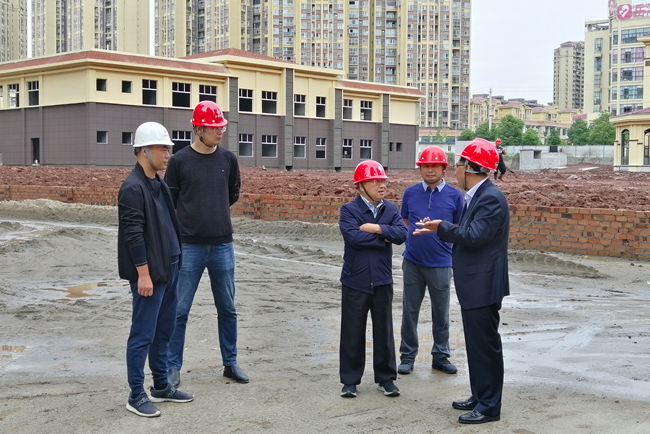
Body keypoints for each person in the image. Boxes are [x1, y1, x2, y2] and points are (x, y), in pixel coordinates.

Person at [414, 137, 510, 425]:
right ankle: (480, 395)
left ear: (470, 167)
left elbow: (474, 236)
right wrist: (443, 227)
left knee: (485, 347)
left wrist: (441, 227)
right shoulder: (478, 196)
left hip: (483, 286)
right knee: (476, 346)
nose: (455, 170)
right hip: (475, 285)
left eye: (458, 164)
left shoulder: (490, 197)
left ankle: (489, 406)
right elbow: (472, 231)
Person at [165, 100, 248, 386]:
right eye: (214, 127)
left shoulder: (228, 160)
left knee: (227, 307)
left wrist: (213, 213)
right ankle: (172, 367)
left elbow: (232, 193)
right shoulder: (179, 161)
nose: (220, 131)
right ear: (199, 129)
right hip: (189, 245)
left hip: (222, 244)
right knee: (179, 310)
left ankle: (230, 362)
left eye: (221, 126)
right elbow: (171, 201)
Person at [118, 122, 194, 418]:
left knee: (164, 330)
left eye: (167, 149)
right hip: (151, 274)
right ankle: (136, 394)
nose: (167, 154)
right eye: (162, 149)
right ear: (143, 150)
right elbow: (133, 234)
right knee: (142, 334)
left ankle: (161, 386)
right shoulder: (132, 188)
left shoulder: (158, 184)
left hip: (170, 267)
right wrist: (143, 274)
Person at [339, 160, 407, 398]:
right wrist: (385, 236)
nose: (381, 185)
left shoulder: (391, 208)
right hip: (355, 280)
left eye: (383, 181)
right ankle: (350, 381)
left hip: (382, 280)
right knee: (352, 332)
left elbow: (402, 235)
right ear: (360, 186)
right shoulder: (349, 210)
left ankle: (386, 379)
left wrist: (376, 229)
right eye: (375, 181)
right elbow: (354, 238)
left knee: (384, 332)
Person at [398, 146, 464, 376]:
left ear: (443, 168)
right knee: (410, 311)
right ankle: (407, 356)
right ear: (420, 168)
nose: (430, 170)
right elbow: (406, 221)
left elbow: (458, 227)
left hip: (441, 262)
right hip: (413, 261)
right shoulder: (410, 193)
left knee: (441, 312)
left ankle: (440, 356)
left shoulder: (455, 196)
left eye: (434, 165)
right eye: (426, 165)